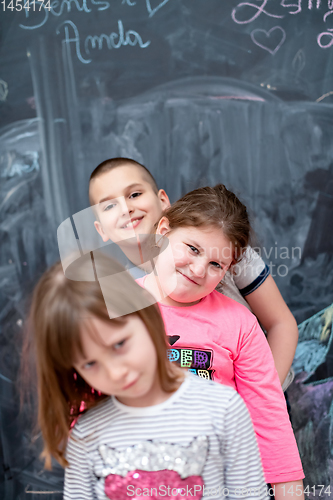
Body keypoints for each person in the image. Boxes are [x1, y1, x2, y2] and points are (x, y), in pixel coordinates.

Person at [25, 253, 269, 500]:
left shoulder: (223, 409)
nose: (116, 372)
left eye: (119, 344)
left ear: (145, 313)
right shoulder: (86, 436)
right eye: (90, 363)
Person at [135, 185, 305, 500]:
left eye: (217, 265)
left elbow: (271, 421)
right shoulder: (114, 308)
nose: (199, 270)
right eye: (193, 248)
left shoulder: (239, 324)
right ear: (163, 230)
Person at [88, 158, 298, 389]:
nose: (126, 208)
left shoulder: (224, 246)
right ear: (101, 230)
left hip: (257, 389)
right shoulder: (123, 297)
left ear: (162, 201)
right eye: (109, 206)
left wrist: (261, 394)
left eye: (134, 194)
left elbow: (282, 323)